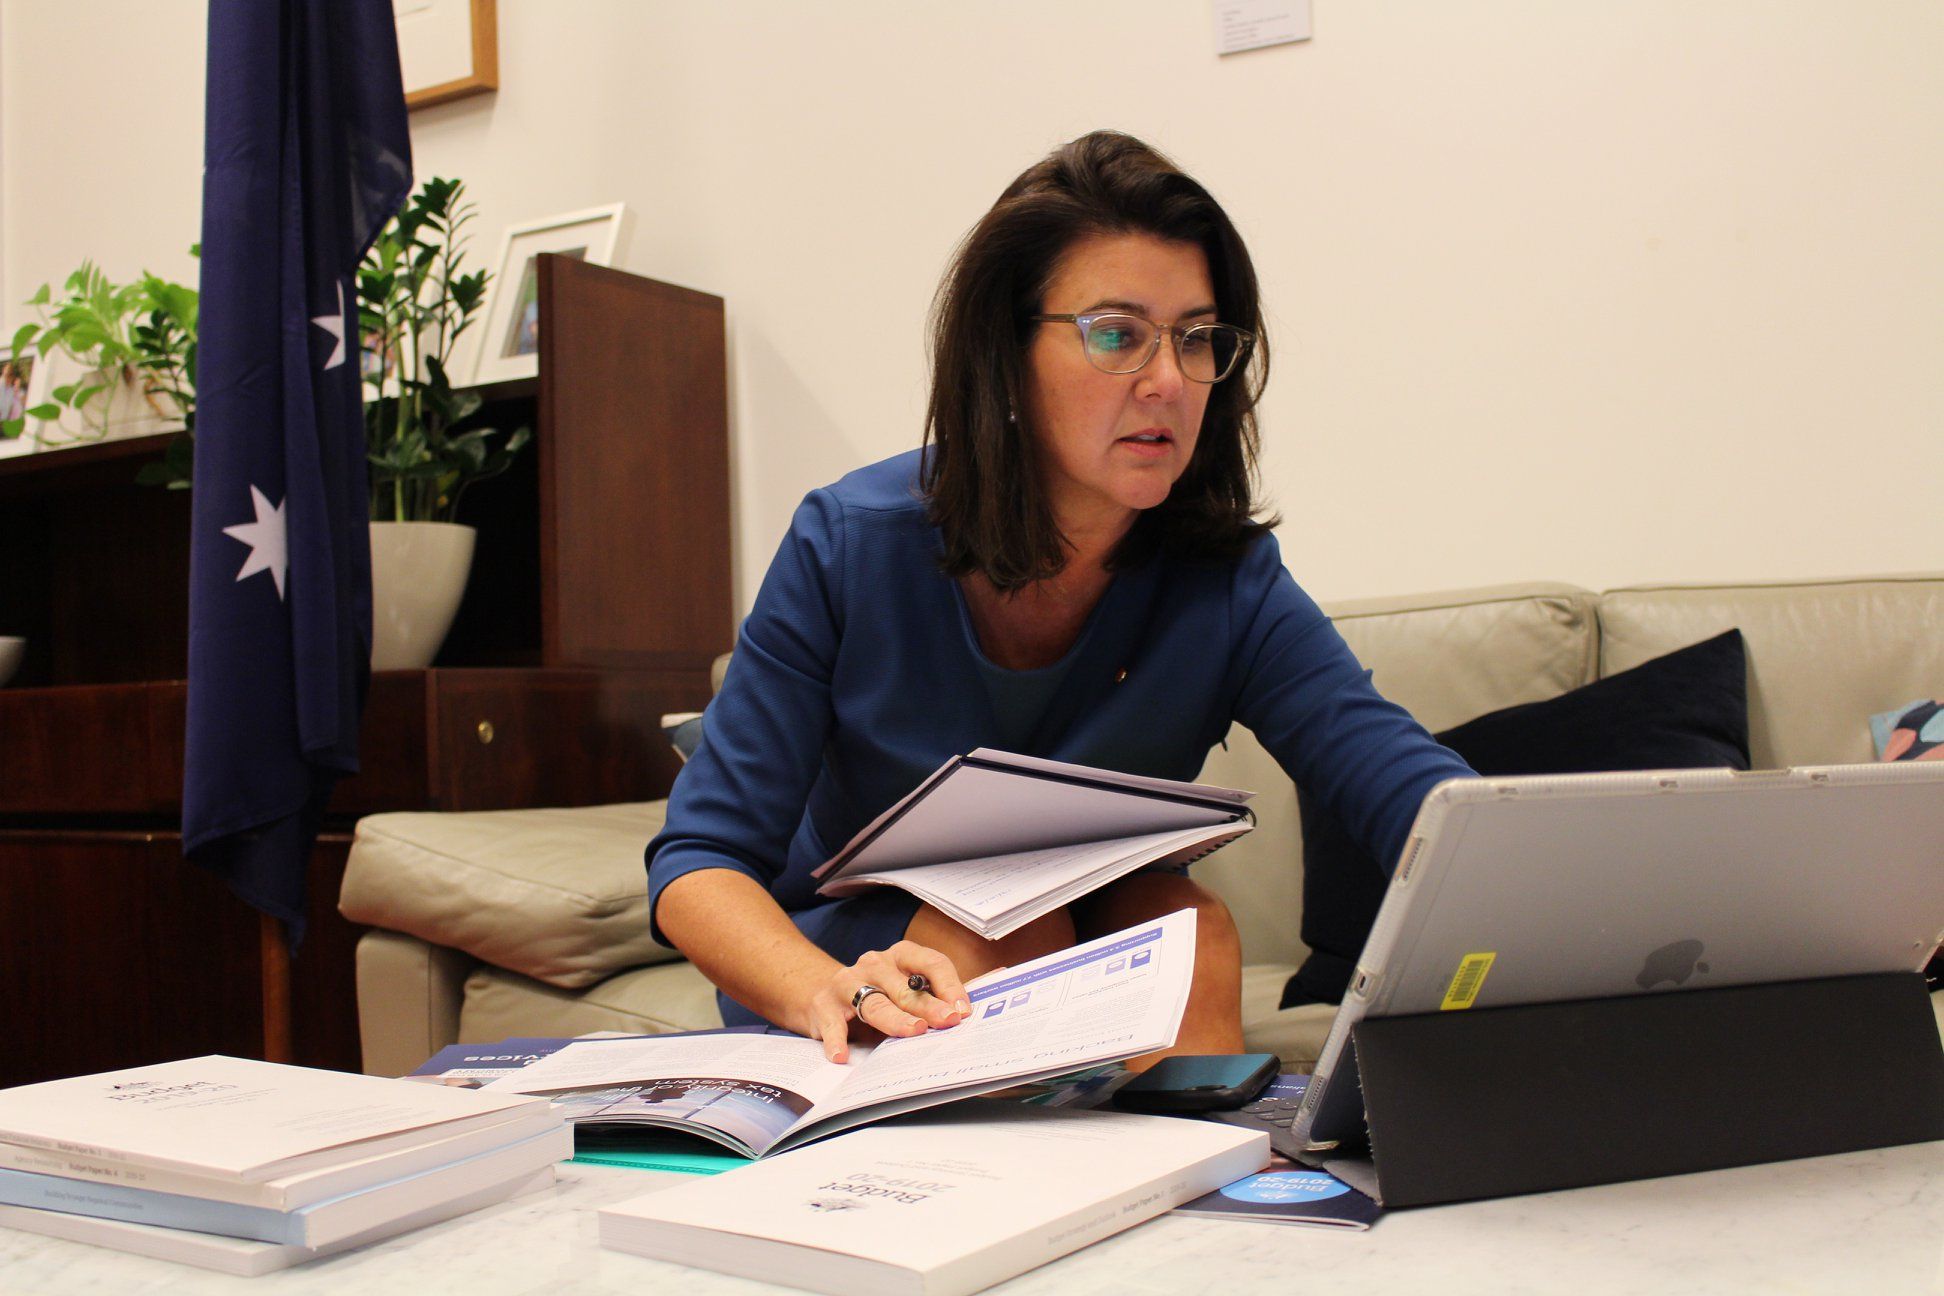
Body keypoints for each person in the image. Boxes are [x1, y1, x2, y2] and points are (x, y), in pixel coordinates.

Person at [647, 131, 1474, 1067]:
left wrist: (1540, 880)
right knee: (997, 938)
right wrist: (819, 987)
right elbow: (699, 860)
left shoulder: (1228, 579)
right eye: (1117, 335)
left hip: (1090, 924)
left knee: (1187, 932)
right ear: (1006, 353)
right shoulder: (849, 545)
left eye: (1196, 338)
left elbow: (1406, 790)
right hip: (862, 963)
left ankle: (1204, 1159)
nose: (1169, 381)